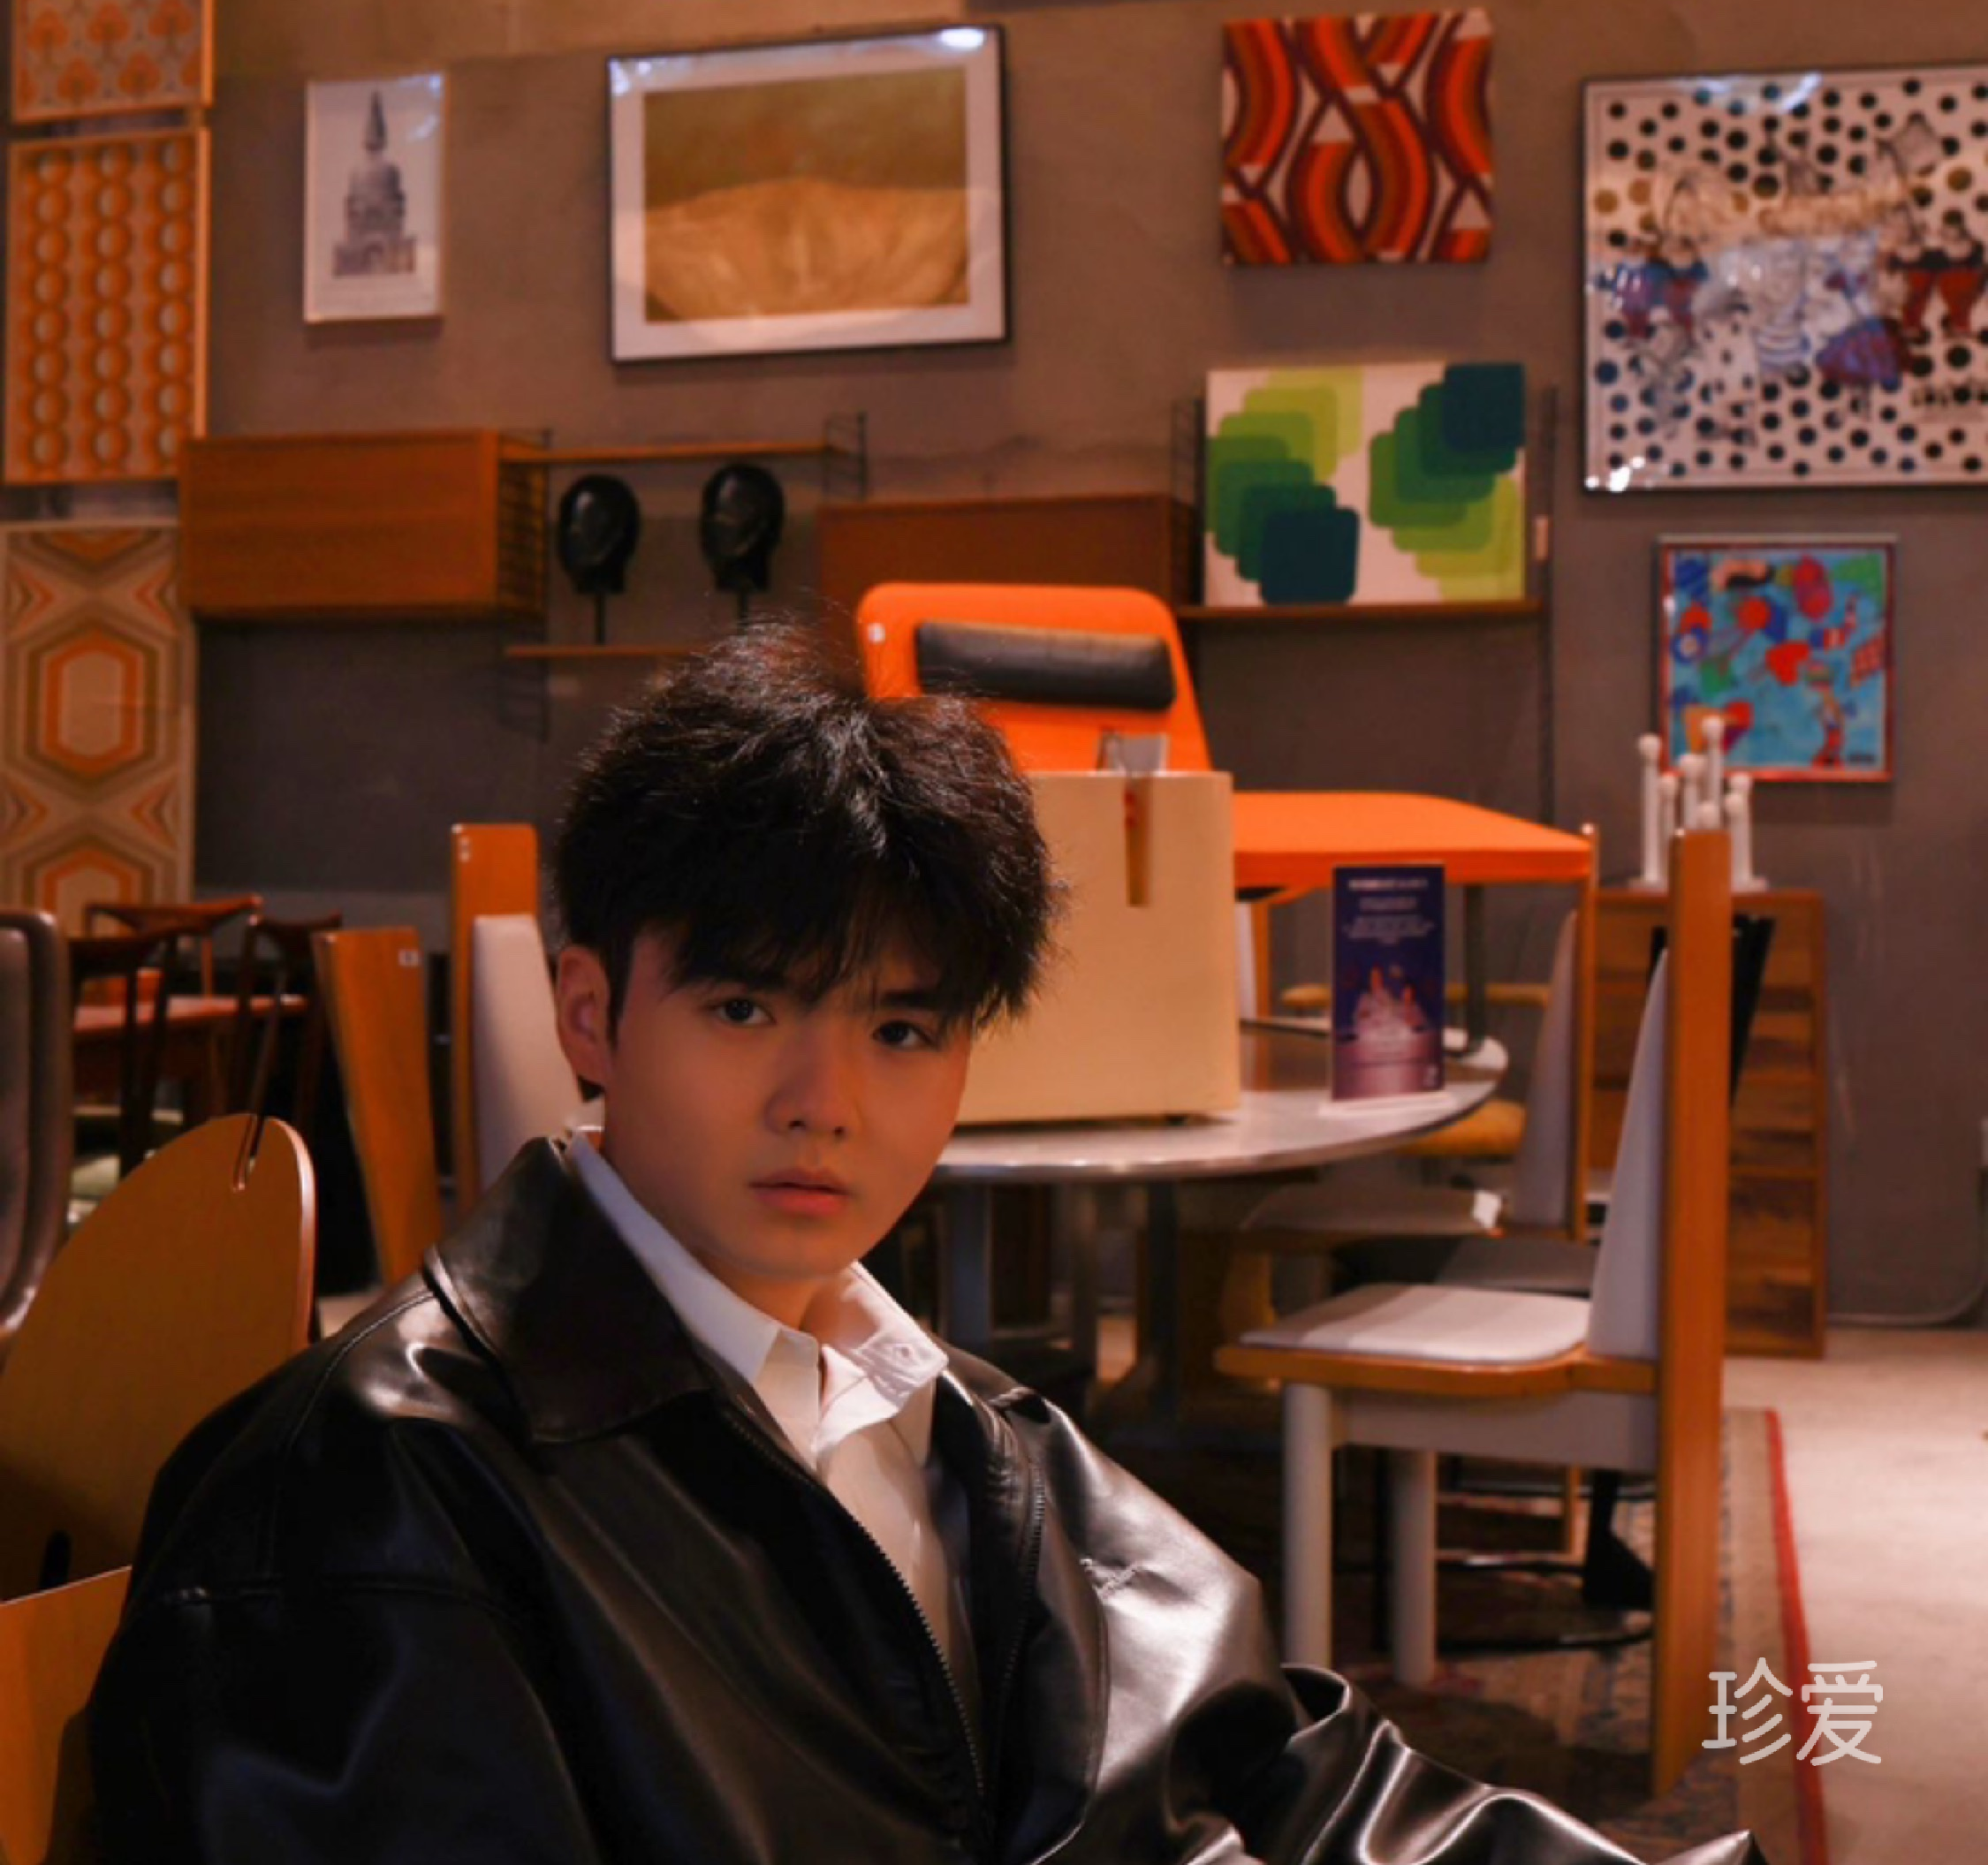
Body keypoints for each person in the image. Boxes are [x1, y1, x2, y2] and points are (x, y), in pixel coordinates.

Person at [89, 625, 1766, 1864]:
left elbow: (1295, 1779)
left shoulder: (956, 1417)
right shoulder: (367, 1502)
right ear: (589, 1011)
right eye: (746, 1007)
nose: (823, 1103)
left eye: (901, 1030)